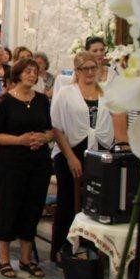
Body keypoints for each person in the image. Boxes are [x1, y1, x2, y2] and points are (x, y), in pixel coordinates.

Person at [0, 58, 54, 278]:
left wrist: (44, 138)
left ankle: (26, 259)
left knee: (33, 208)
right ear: (17, 74)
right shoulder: (4, 101)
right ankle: (4, 259)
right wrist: (20, 140)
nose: (32, 75)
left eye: (35, 71)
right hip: (11, 163)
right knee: (9, 208)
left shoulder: (42, 100)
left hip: (38, 162)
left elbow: (50, 129)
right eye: (27, 71)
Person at [51, 51, 114, 261]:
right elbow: (57, 128)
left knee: (96, 202)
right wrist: (71, 157)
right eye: (84, 68)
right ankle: (63, 248)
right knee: (68, 201)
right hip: (71, 151)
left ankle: (91, 249)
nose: (89, 72)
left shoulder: (106, 93)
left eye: (93, 67)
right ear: (77, 71)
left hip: (99, 151)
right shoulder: (66, 93)